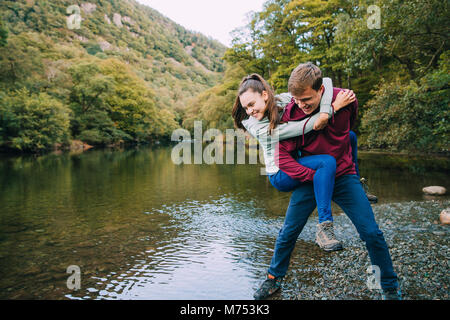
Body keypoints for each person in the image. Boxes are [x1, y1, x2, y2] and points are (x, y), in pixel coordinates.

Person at [253, 62, 401, 300]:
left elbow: (348, 134)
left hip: (343, 176)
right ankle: (273, 279)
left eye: (306, 99)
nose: (301, 105)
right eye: (297, 99)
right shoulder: (289, 112)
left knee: (371, 233)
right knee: (289, 231)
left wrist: (350, 165)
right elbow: (283, 152)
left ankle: (390, 287)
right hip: (310, 178)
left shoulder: (346, 101)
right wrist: (307, 173)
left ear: (321, 90)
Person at [232, 73, 356, 252]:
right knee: (326, 163)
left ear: (265, 95)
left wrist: (325, 108)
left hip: (298, 160)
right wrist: (333, 107)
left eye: (251, 104)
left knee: (349, 136)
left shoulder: (282, 100)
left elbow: (326, 81)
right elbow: (304, 126)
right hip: (281, 174)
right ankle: (324, 228)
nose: (249, 111)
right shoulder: (258, 128)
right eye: (246, 108)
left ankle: (357, 182)